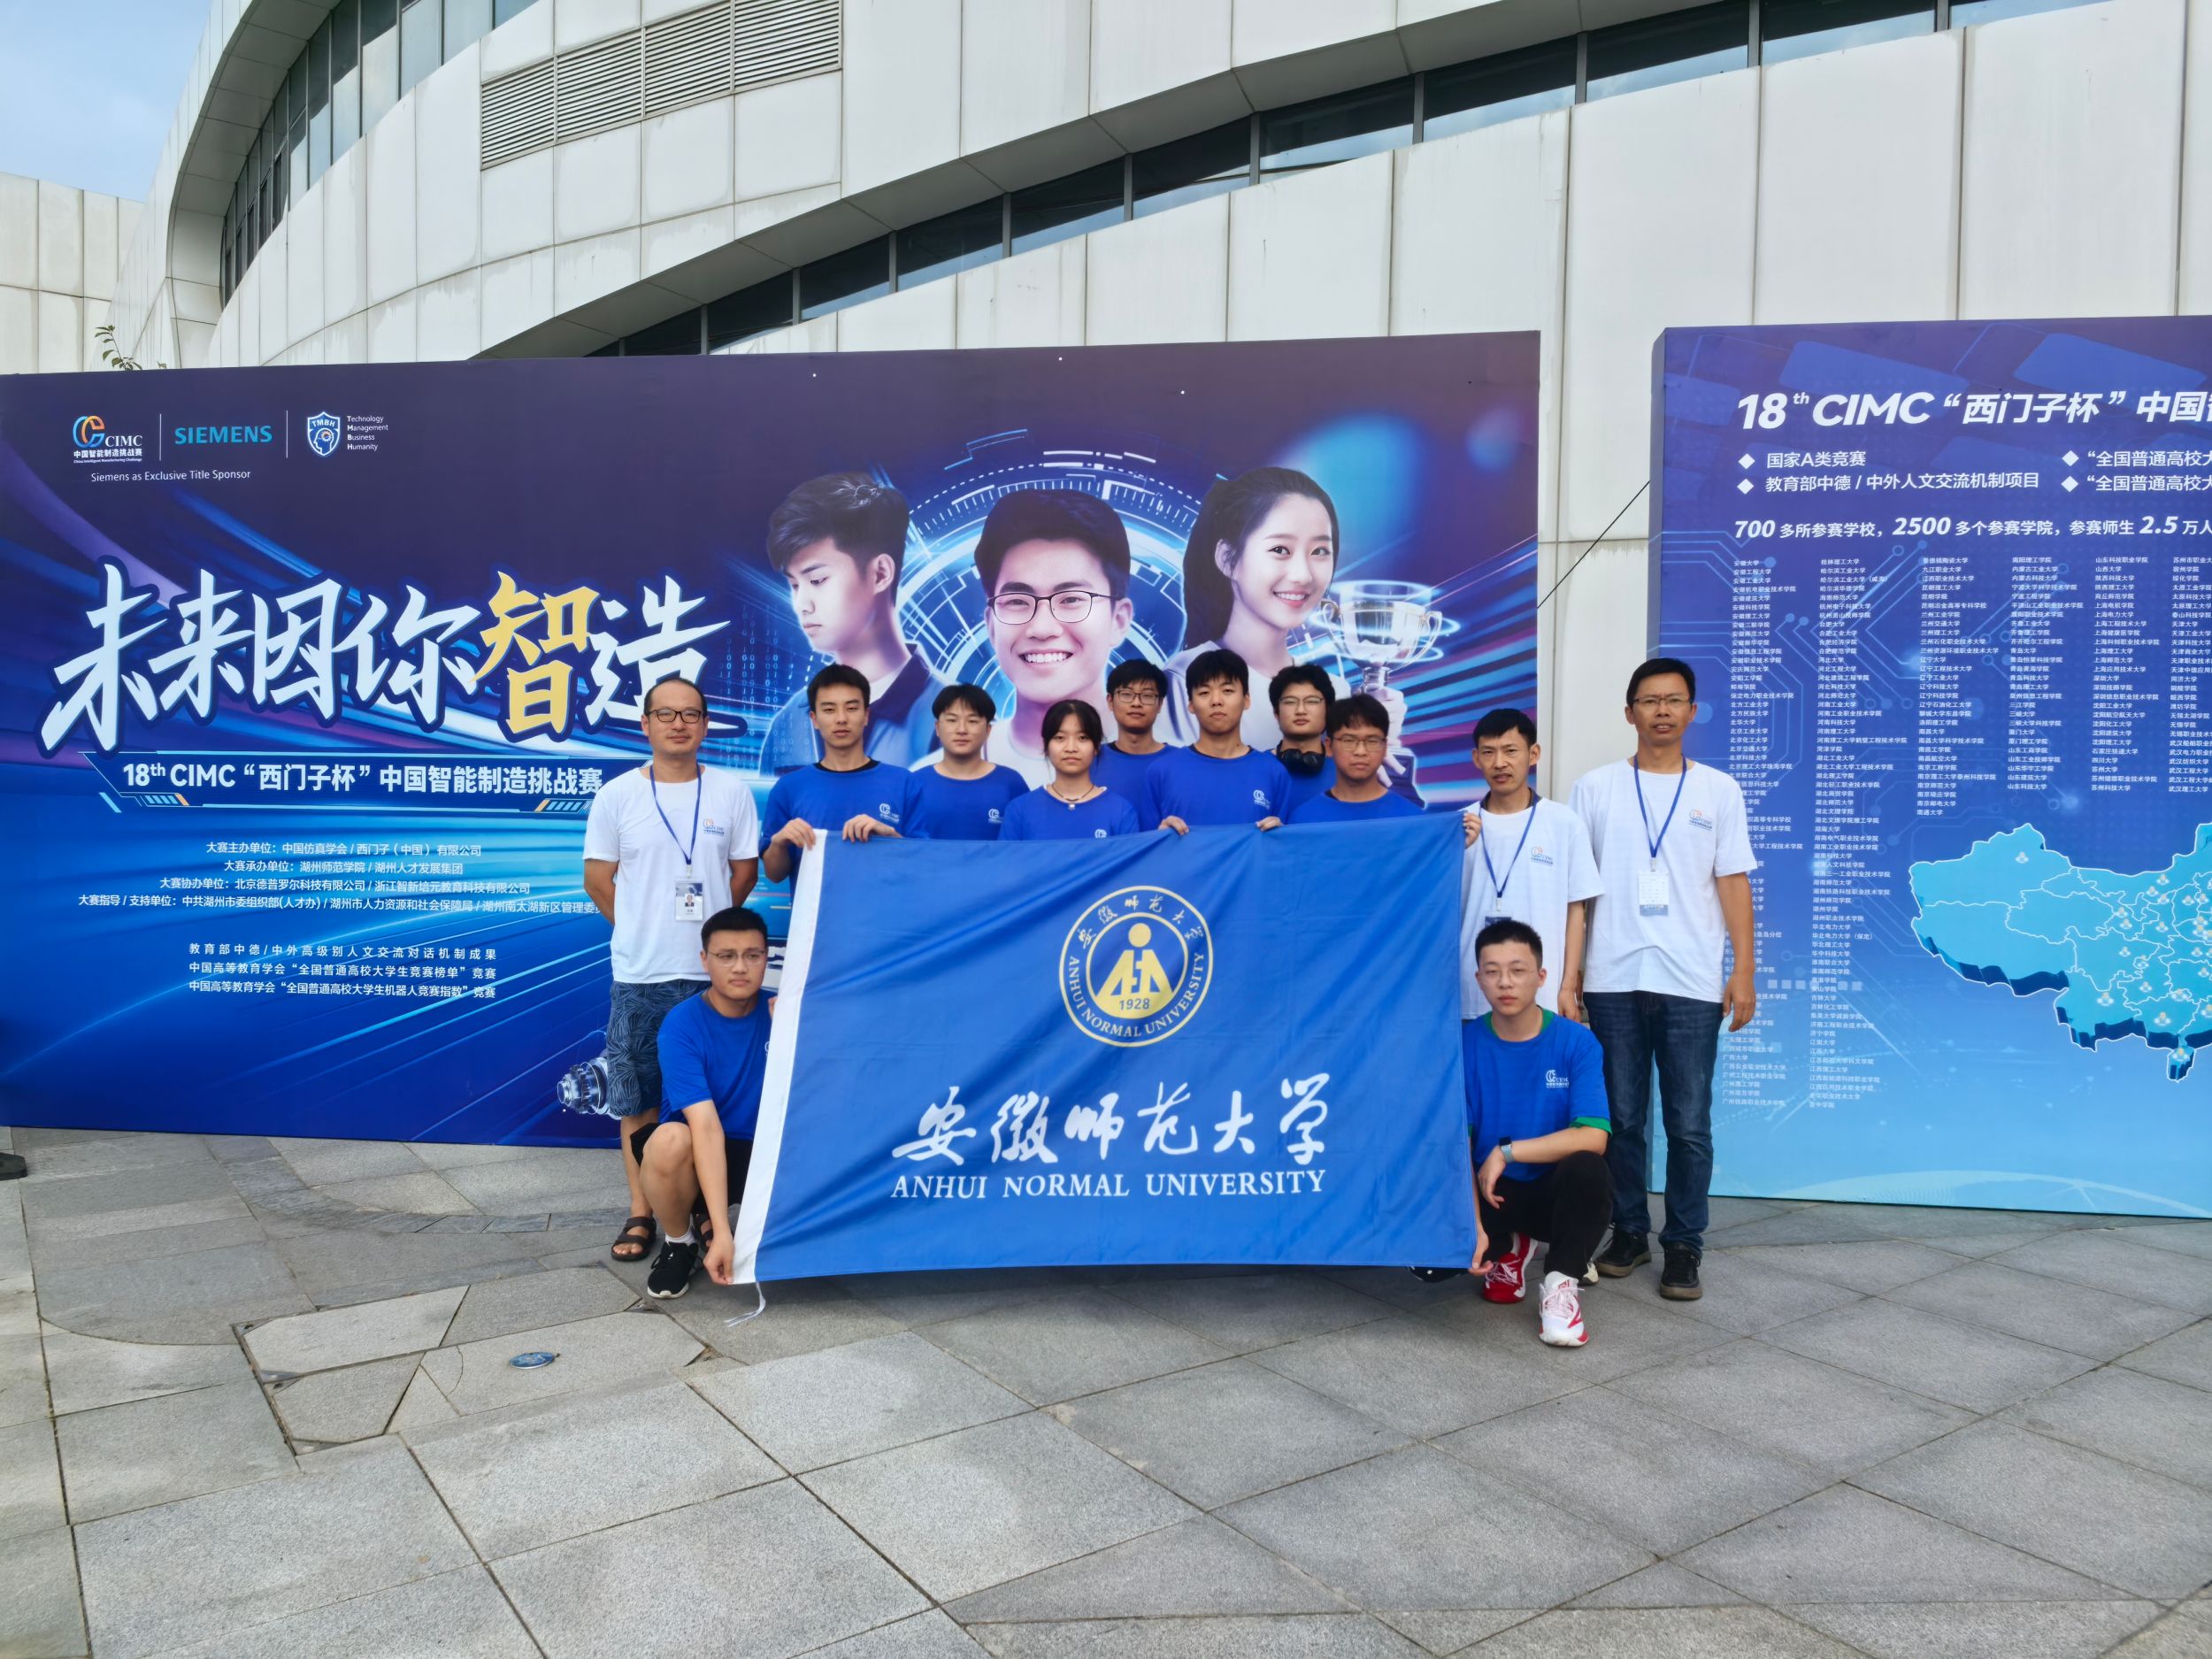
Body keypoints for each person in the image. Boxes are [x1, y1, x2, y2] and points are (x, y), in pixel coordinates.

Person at [1571, 657, 1758, 1302]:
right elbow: (1578, 892)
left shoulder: (1718, 790)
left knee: (1688, 1124)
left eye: (1674, 700)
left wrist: (1743, 971)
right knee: (1621, 1120)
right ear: (1629, 713)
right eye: (1649, 701)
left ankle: (1684, 1243)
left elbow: (1733, 882)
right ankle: (1629, 1232)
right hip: (1613, 977)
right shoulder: (1595, 788)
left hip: (1692, 981)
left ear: (1691, 711)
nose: (1661, 711)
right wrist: (1571, 976)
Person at [582, 674, 760, 1264]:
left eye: (690, 714)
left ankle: (704, 1210)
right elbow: (598, 880)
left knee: (708, 1098)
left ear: (705, 724)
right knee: (638, 1097)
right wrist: (640, 925)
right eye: (666, 713)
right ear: (646, 724)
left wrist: (709, 939)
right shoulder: (617, 796)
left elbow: (743, 873)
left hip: (712, 974)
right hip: (642, 973)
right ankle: (642, 1209)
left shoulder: (731, 792)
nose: (678, 724)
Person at [1440, 920, 1612, 1348]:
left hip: (1552, 1196)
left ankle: (1561, 1282)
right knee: (1429, 1267)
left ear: (1541, 976)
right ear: (1478, 978)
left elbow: (1594, 1137)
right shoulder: (1463, 1045)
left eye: (1518, 970)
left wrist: (1507, 1152)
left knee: (1589, 1169)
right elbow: (1458, 1145)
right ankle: (1509, 1247)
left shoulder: (1577, 1042)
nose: (1505, 982)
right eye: (1492, 971)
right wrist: (1475, 1229)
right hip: (1492, 1194)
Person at [758, 473, 941, 773]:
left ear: (880, 574)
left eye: (818, 580)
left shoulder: (952, 716)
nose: (802, 604)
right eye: (794, 585)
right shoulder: (791, 722)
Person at [634, 908, 772, 1299]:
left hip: (762, 1150)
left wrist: (800, 1030)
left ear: (767, 958)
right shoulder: (682, 1024)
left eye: (752, 955)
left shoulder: (784, 1013)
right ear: (704, 960)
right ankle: (680, 1242)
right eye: (726, 956)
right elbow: (706, 1127)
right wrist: (725, 1232)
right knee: (668, 1141)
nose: (740, 967)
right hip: (698, 1150)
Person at [964, 489, 1134, 783]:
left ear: (1118, 620)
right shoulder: (933, 778)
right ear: (991, 626)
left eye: (1071, 599)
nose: (1042, 629)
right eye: (1017, 601)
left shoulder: (1164, 771)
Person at [1164, 467, 1340, 751]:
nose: (1303, 575)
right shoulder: (1186, 681)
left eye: (1319, 551)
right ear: (1227, 559)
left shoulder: (1336, 692)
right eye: (1280, 550)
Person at [1459, 710, 1603, 1021]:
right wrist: (1457, 848)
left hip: (1543, 995)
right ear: (1476, 758)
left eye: (1511, 751)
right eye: (1489, 752)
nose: (1500, 763)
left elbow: (1576, 910)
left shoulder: (1563, 823)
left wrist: (1567, 988)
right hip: (1472, 995)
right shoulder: (1460, 827)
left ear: (1533, 754)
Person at [761, 665, 928, 886]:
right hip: (817, 909)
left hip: (887, 908)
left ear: (866, 715)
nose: (841, 719)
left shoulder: (904, 783)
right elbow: (774, 874)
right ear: (814, 719)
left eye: (851, 708)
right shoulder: (789, 788)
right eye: (829, 710)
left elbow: (923, 865)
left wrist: (890, 837)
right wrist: (779, 843)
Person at [1142, 648, 1292, 833]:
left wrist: (1280, 837)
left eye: (1227, 690)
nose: (1216, 701)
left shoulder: (1273, 772)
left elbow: (1285, 847)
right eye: (1204, 692)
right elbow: (1144, 846)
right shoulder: (1161, 772)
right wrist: (1159, 838)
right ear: (1191, 704)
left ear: (1246, 700)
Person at [1000, 699, 1143, 841]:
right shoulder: (1020, 810)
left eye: (1082, 738)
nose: (1071, 748)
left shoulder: (1121, 811)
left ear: (1096, 747)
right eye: (1060, 738)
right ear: (1046, 746)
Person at [908, 684, 1027, 841]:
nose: (962, 730)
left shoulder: (1011, 783)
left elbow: (1029, 843)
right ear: (937, 728)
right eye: (952, 720)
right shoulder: (914, 783)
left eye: (972, 721)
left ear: (988, 730)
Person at [1288, 695, 1422, 823]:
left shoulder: (1414, 820)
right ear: (1329, 747)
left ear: (1385, 748)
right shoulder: (1302, 819)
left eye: (1372, 741)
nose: (1360, 752)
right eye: (1349, 741)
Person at [1092, 657, 1175, 803]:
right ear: (1110, 701)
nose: (1136, 703)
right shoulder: (1091, 760)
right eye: (1126, 694)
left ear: (1160, 704)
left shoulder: (1180, 761)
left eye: (1147, 696)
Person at [1270, 664, 1337, 817]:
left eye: (1312, 701)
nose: (1300, 710)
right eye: (1290, 702)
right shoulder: (1257, 768)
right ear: (1276, 713)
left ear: (1328, 710)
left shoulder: (1346, 771)